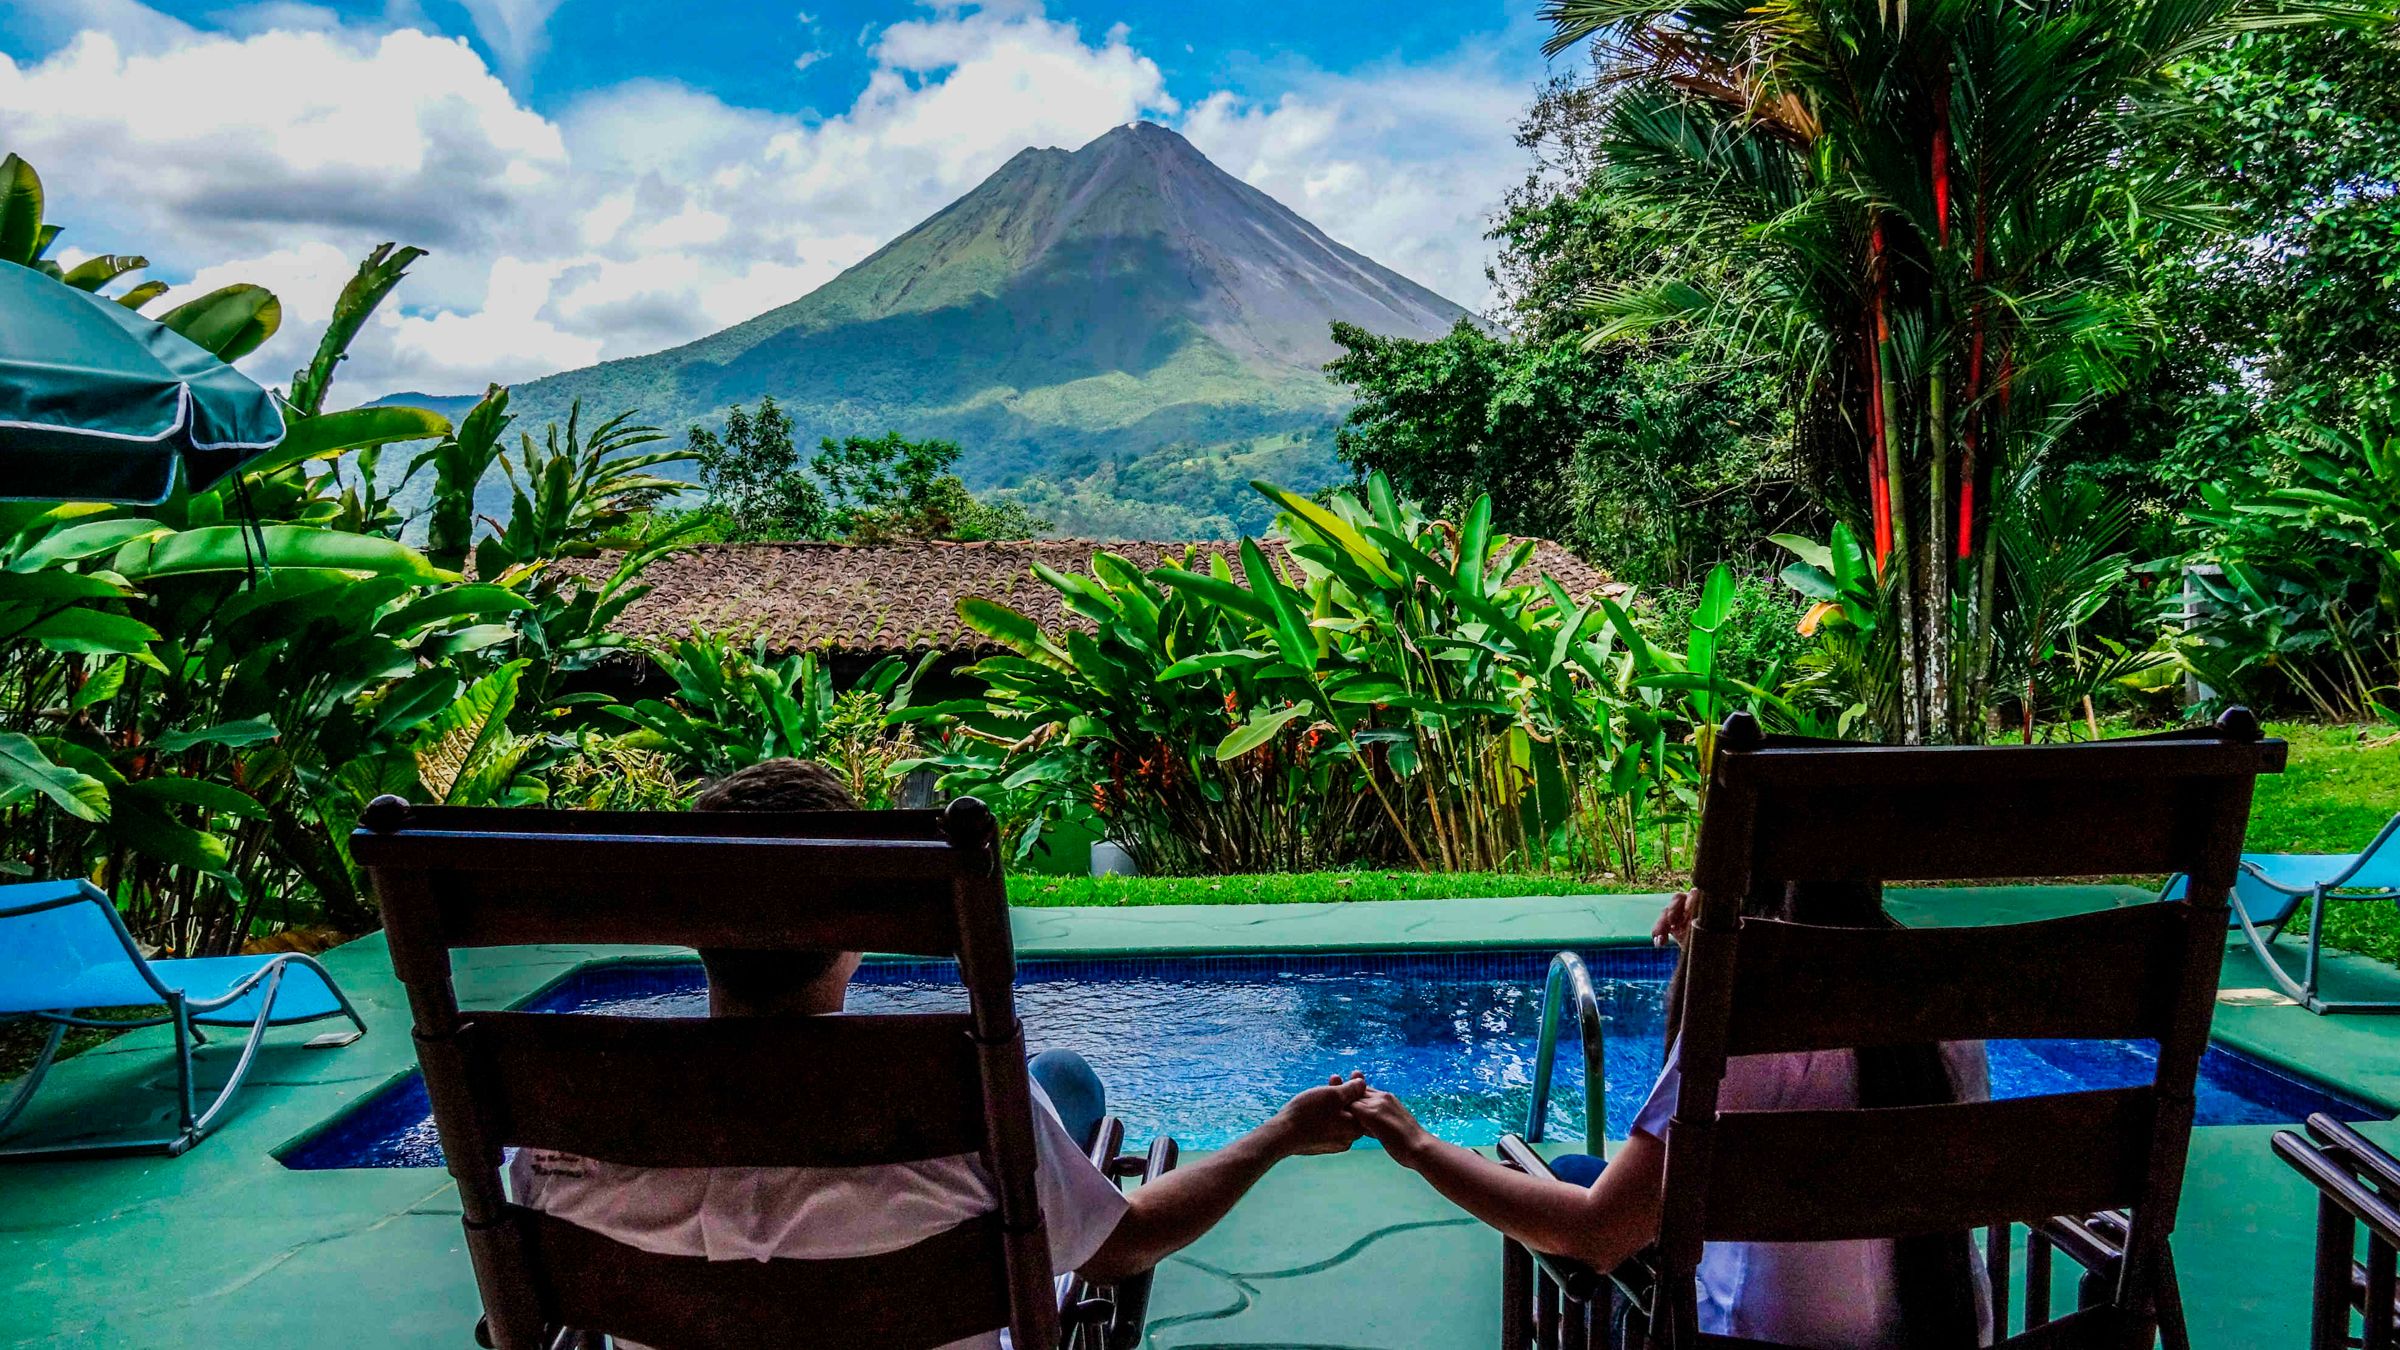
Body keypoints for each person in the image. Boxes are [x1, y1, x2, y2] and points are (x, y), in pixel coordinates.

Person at [510, 758, 1368, 1349]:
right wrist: (1281, 1134)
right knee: (1060, 1087)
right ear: (854, 928)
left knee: (1054, 1086)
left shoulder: (556, 1110)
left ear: (688, 929)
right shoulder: (959, 1087)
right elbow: (1121, 1244)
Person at [1347, 880, 1993, 1350]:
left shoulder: (1754, 1021)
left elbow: (1599, 1233)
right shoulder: (1940, 1014)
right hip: (1949, 1334)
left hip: (1745, 1338)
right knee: (1579, 1167)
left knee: (1576, 1209)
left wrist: (1419, 1145)